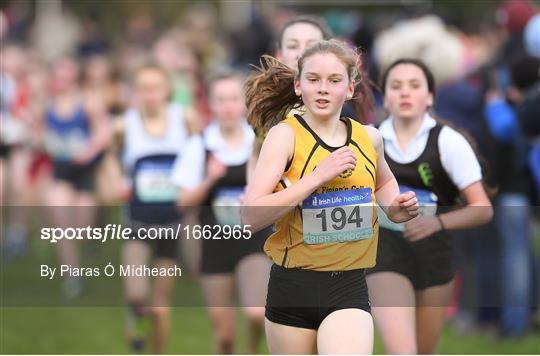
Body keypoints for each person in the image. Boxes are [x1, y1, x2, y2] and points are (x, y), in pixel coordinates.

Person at [242, 39, 419, 354]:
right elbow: (251, 216)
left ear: (350, 88)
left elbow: (383, 183)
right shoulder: (284, 136)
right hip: (292, 287)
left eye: (334, 80)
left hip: (348, 286)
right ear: (298, 86)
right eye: (313, 80)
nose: (323, 88)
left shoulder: (370, 138)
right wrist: (316, 178)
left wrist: (396, 207)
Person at [366, 58, 493, 354]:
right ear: (384, 96)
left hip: (434, 257)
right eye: (396, 86)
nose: (405, 93)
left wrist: (436, 223)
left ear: (430, 96)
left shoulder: (448, 142)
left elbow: (483, 208)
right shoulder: (368, 139)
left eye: (414, 85)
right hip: (383, 256)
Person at [172, 71, 271, 354]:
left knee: (256, 313)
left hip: (255, 241)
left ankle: (251, 349)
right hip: (214, 244)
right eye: (221, 100)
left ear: (245, 103)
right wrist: (210, 178)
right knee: (225, 335)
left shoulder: (261, 142)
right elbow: (182, 203)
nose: (228, 106)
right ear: (210, 104)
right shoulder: (198, 146)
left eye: (234, 99)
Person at [116, 63, 192, 354]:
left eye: (156, 88)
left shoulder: (184, 119)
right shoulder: (125, 124)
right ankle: (135, 317)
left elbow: (197, 155)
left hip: (172, 224)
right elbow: (110, 159)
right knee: (137, 294)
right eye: (143, 89)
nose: (150, 95)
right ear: (135, 92)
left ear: (167, 91)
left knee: (160, 306)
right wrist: (116, 180)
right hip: (137, 222)